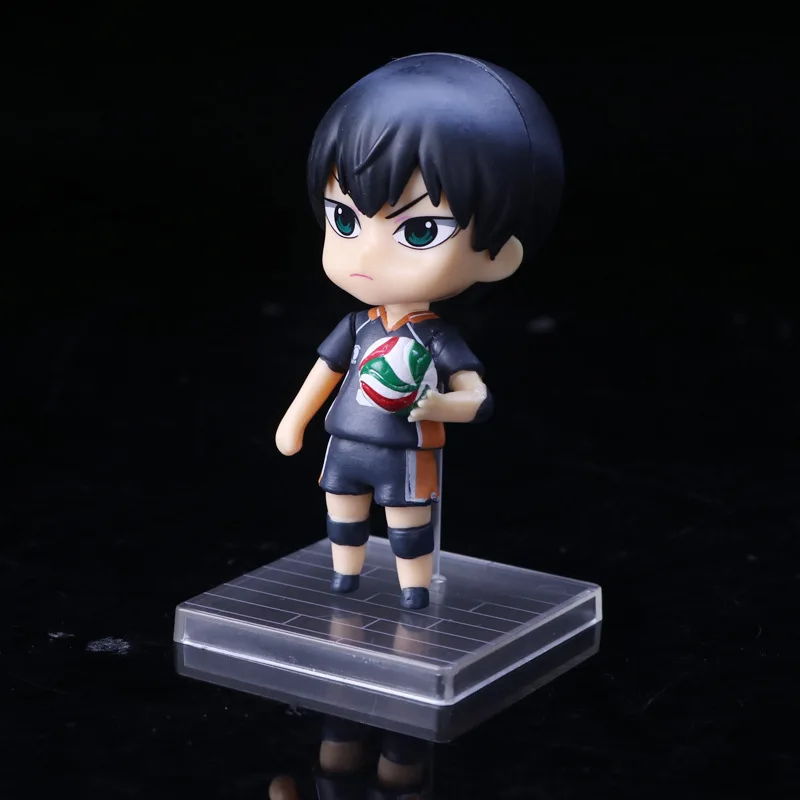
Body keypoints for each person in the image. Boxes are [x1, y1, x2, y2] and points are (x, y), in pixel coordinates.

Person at [276, 53, 563, 609]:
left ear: (499, 255)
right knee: (342, 509)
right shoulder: (357, 325)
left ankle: (413, 586)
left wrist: (442, 406)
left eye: (421, 230)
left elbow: (477, 398)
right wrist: (294, 420)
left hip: (406, 448)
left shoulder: (434, 339)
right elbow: (324, 372)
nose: (367, 256)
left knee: (407, 518)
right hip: (346, 441)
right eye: (344, 219)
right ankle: (345, 574)